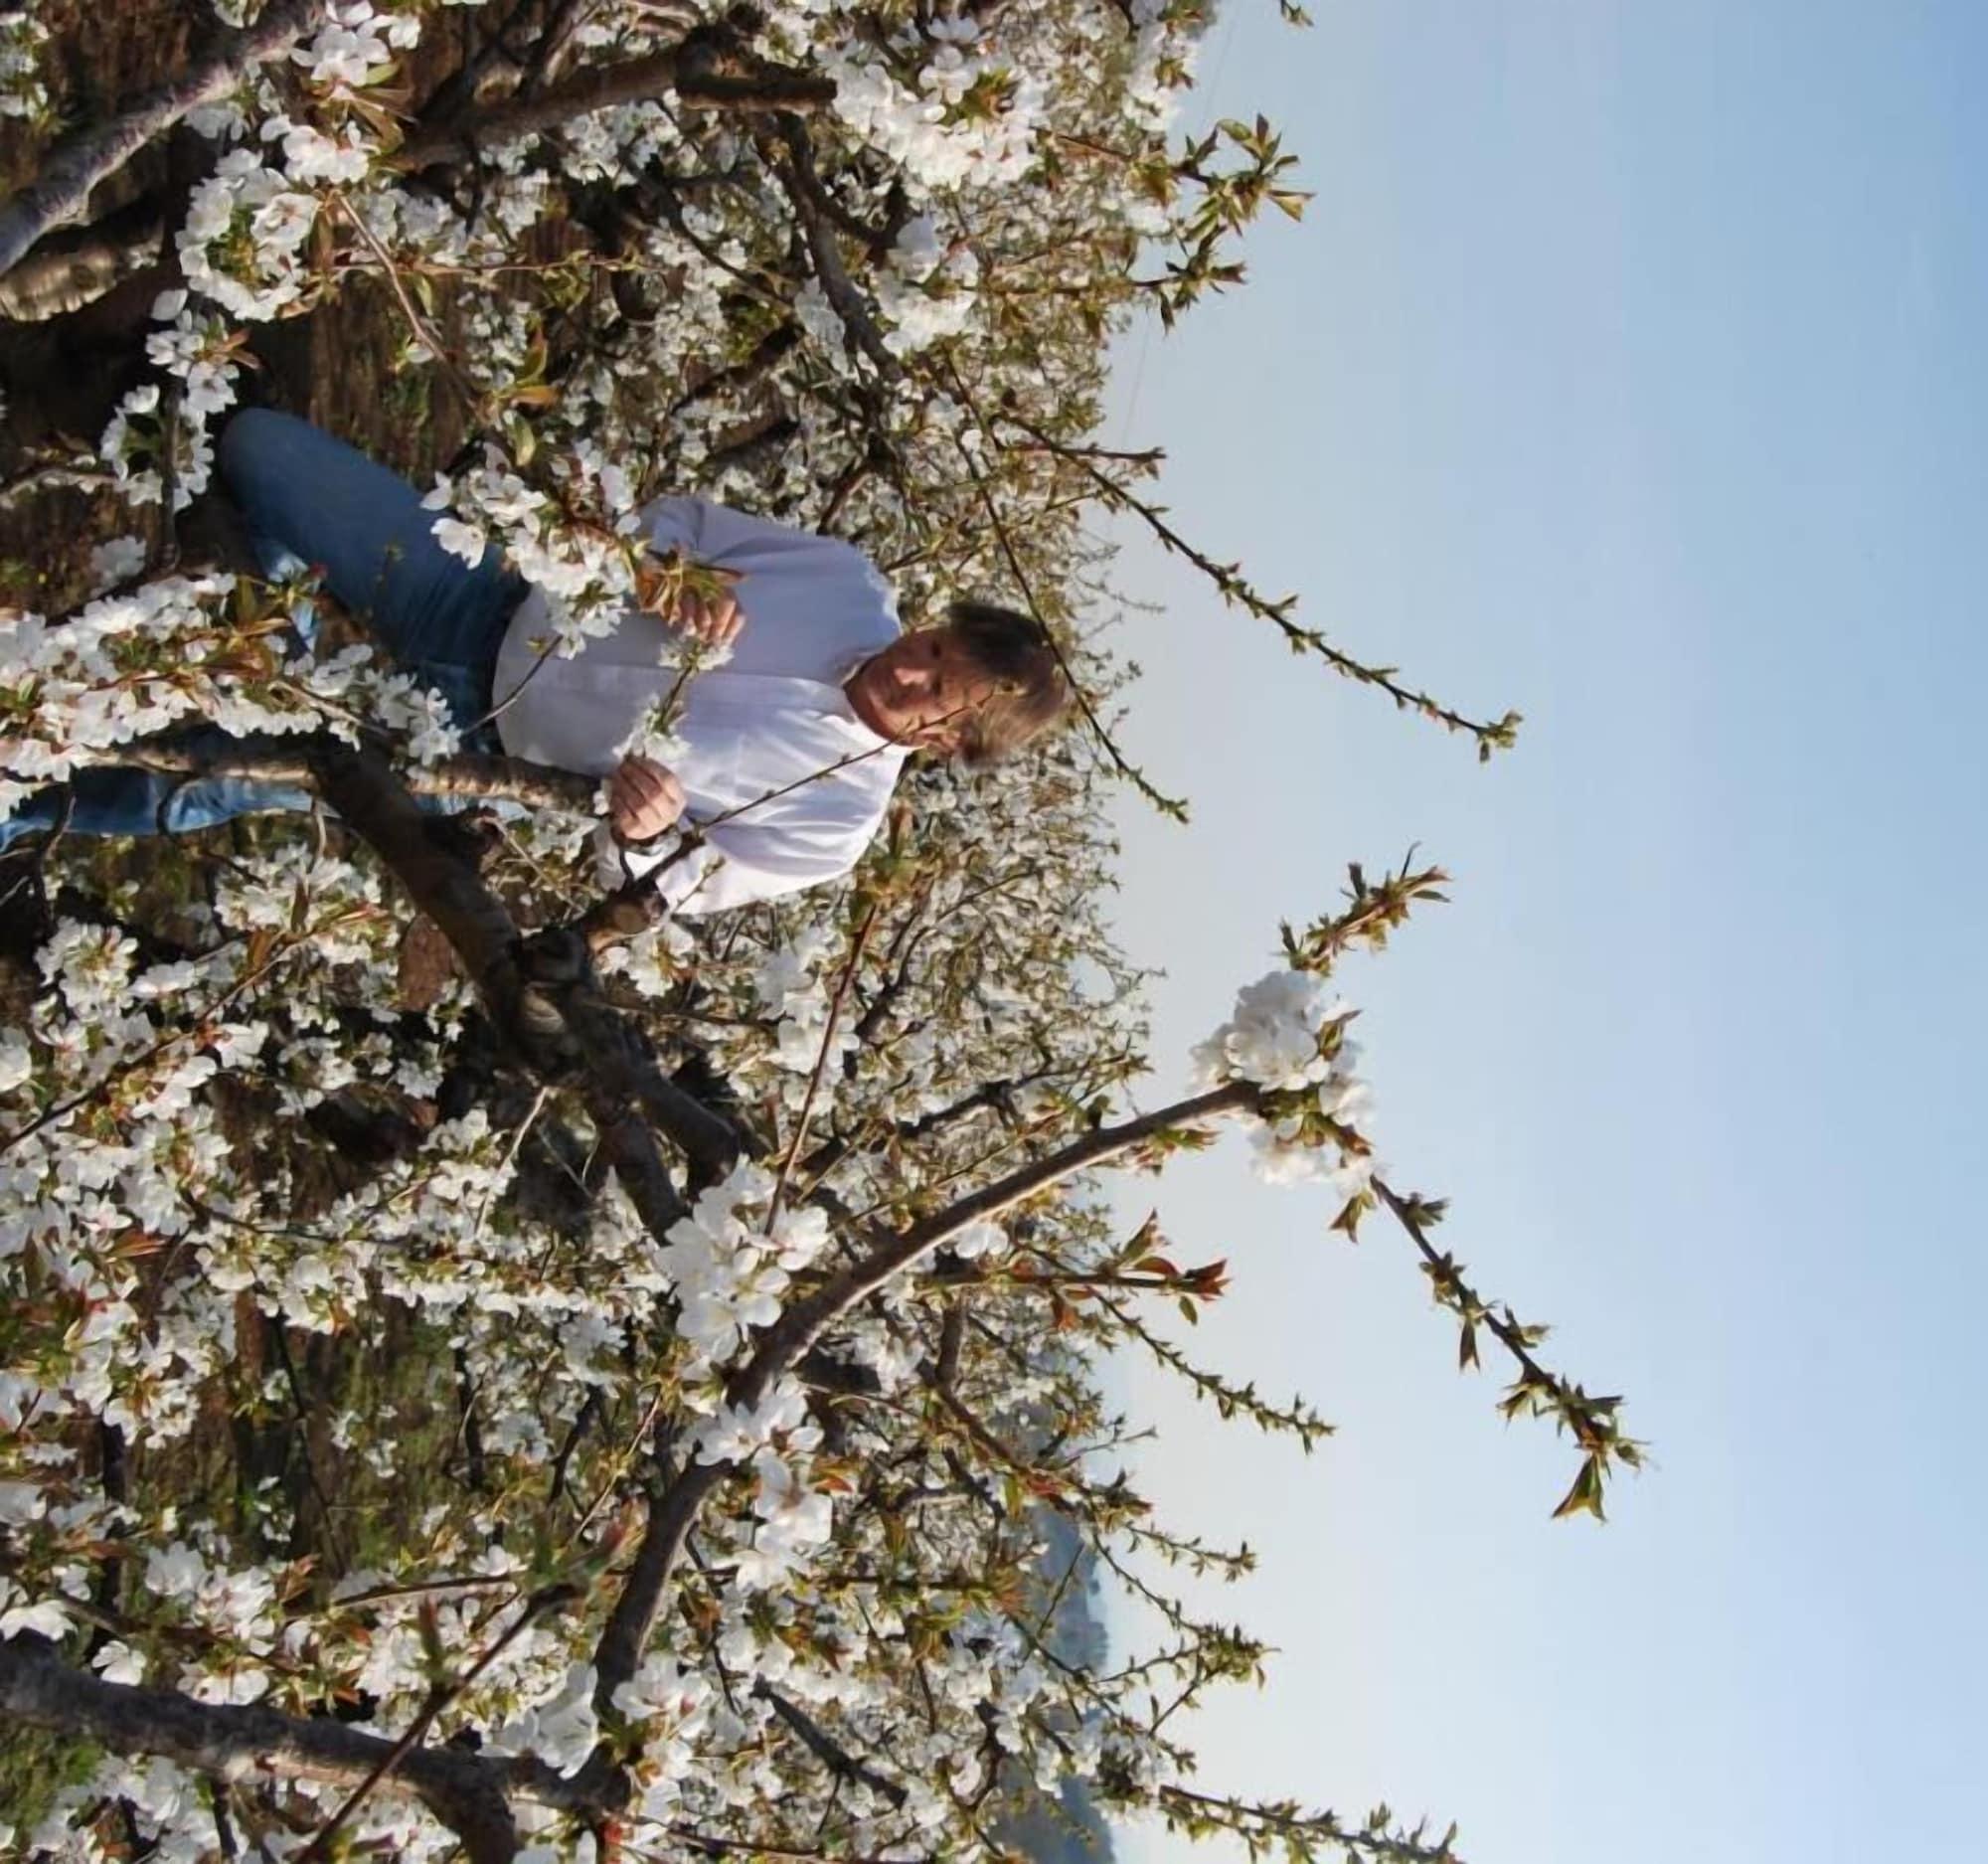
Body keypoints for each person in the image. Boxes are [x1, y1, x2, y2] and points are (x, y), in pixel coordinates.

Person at [0, 411, 1069, 914]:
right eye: (930, 646)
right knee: (256, 450)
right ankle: (281, 629)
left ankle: (21, 796)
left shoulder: (833, 823)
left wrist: (638, 828)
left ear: (945, 741)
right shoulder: (841, 579)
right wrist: (660, 570)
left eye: (936, 692)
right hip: (478, 592)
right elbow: (673, 516)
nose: (910, 670)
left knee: (219, 776)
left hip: (471, 740)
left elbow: (670, 891)